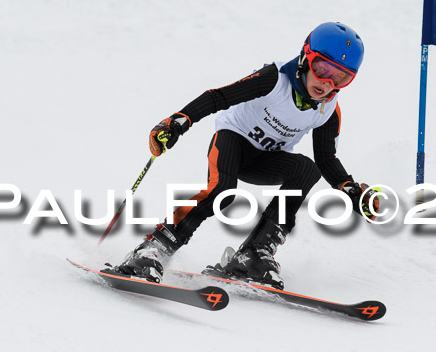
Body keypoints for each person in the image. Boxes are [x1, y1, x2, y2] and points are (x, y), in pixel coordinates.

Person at [112, 22, 378, 290]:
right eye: (322, 68)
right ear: (306, 57)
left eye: (341, 77)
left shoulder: (328, 110)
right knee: (222, 191)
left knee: (307, 169)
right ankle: (153, 248)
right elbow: (219, 97)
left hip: (266, 160)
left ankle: (253, 254)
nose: (327, 82)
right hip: (232, 141)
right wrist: (179, 120)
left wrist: (350, 189)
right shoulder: (275, 79)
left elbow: (326, 159)